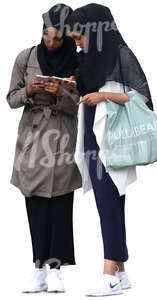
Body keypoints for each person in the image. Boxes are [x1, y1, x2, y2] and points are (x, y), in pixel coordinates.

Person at [65, 3, 154, 297]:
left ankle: (109, 276)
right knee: (111, 204)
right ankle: (122, 273)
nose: (77, 45)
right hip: (92, 134)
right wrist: (73, 83)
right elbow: (86, 87)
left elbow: (141, 97)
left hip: (113, 137)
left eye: (79, 38)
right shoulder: (87, 59)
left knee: (108, 203)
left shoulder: (119, 54)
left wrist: (103, 95)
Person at [6, 3, 82, 293]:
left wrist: (60, 92)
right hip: (32, 140)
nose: (51, 43)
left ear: (65, 36)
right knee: (36, 204)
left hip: (61, 139)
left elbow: (80, 104)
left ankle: (56, 270)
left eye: (57, 38)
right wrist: (31, 90)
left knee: (60, 202)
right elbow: (11, 98)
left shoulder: (78, 62)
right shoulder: (25, 57)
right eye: (47, 36)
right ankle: (38, 268)